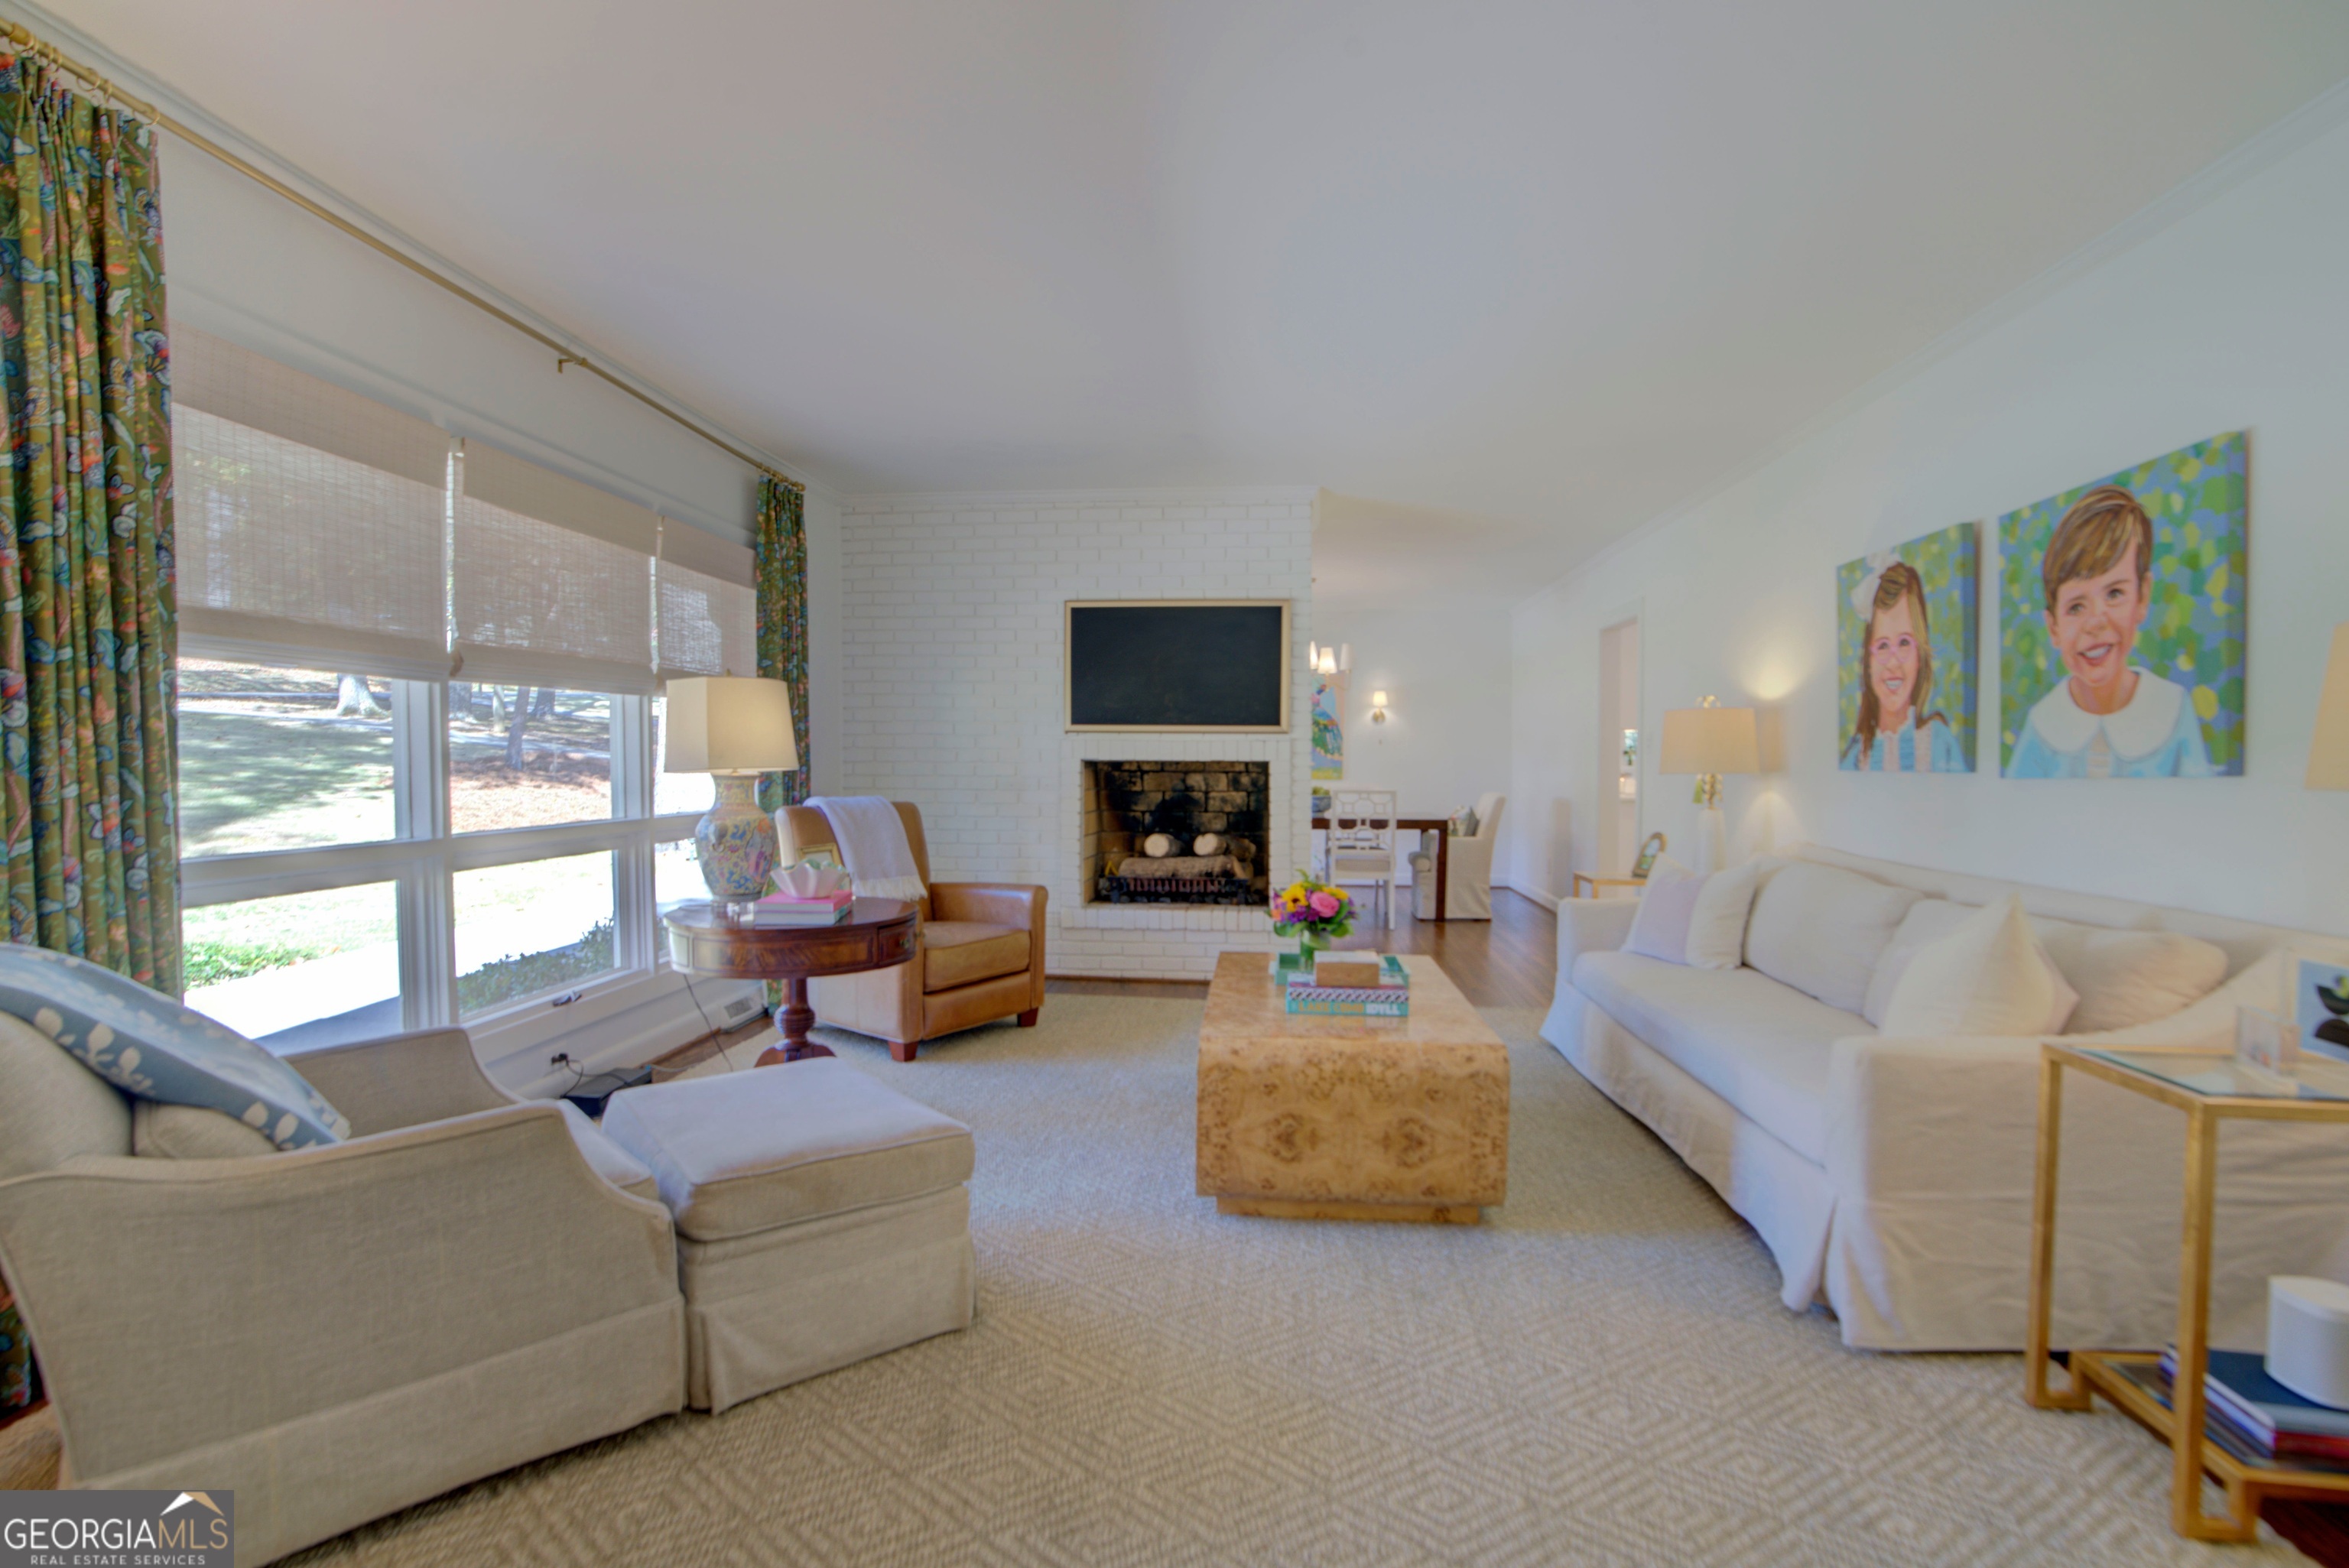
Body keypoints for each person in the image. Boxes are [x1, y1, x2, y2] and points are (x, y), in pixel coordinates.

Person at [2007, 485, 2211, 778]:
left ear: (2142, 597)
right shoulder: (2043, 723)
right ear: (2054, 628)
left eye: (2114, 594)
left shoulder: (2173, 708)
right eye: (2076, 607)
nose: (2095, 622)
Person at [1842, 560, 1964, 771]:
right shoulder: (1856, 758)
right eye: (1882, 646)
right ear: (1869, 662)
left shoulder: (1940, 744)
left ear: (1919, 656)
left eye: (1905, 643)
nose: (1893, 662)